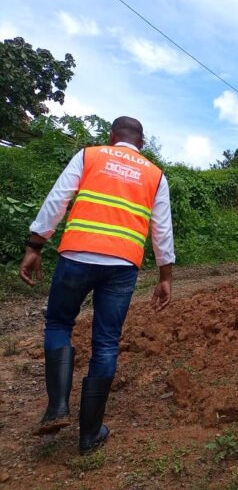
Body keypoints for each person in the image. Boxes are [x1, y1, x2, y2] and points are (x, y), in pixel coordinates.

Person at [19, 116, 175, 455]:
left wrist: (35, 246)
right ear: (142, 143)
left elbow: (57, 200)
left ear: (112, 136)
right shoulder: (155, 174)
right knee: (106, 343)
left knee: (59, 323)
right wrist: (165, 277)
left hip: (76, 255)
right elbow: (162, 229)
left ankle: (57, 407)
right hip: (122, 264)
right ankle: (89, 435)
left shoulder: (90, 155)